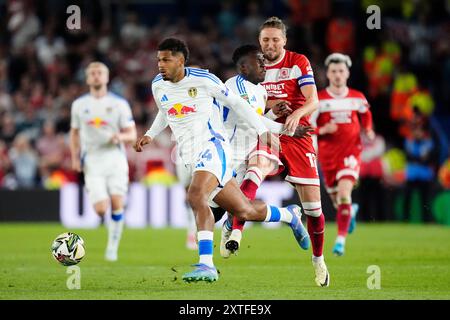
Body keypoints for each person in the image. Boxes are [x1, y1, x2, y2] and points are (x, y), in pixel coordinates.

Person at [134, 38, 310, 283]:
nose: (160, 65)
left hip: (213, 146)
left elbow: (239, 105)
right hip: (189, 155)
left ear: (181, 61)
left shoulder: (206, 80)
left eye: (166, 60)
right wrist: (150, 135)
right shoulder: (157, 85)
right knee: (243, 210)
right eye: (158, 60)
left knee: (195, 196)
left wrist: (265, 132)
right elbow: (165, 111)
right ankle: (289, 215)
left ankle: (205, 264)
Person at [220, 44, 312, 257]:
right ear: (244, 68)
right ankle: (288, 216)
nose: (264, 64)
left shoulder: (261, 91)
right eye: (258, 61)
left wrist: (271, 116)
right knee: (227, 208)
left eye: (264, 60)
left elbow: (256, 120)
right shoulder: (235, 85)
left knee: (244, 199)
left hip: (246, 154)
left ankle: (226, 237)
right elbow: (249, 119)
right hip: (227, 155)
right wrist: (284, 130)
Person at [258, 16, 329, 286]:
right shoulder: (254, 66)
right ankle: (234, 233)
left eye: (275, 39)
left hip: (299, 135)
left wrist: (297, 114)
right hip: (267, 132)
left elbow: (313, 100)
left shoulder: (298, 61)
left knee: (313, 208)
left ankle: (318, 260)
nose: (270, 44)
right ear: (259, 41)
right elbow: (250, 106)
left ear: (284, 41)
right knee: (249, 175)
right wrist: (269, 108)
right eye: (266, 39)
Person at [69, 62, 137, 262]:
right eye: (92, 73)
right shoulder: (79, 105)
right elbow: (74, 134)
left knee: (117, 203)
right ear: (87, 78)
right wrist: (75, 157)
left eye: (100, 73)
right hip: (92, 159)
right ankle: (104, 215)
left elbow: (132, 134)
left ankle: (112, 248)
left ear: (106, 78)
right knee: (100, 209)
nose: (96, 76)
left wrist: (120, 138)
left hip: (115, 158)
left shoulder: (119, 104)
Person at [312, 53, 375, 256]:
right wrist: (323, 130)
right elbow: (307, 127)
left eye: (341, 71)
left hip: (351, 152)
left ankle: (340, 241)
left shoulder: (357, 97)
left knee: (345, 194)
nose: (337, 75)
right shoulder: (318, 100)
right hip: (328, 156)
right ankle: (351, 212)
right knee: (338, 202)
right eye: (333, 71)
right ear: (328, 74)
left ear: (347, 73)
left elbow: (366, 116)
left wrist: (368, 129)